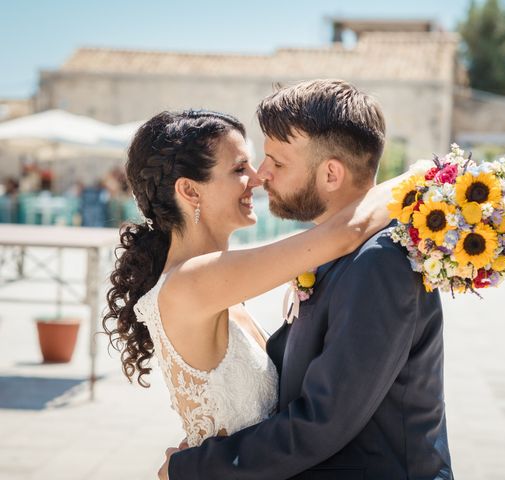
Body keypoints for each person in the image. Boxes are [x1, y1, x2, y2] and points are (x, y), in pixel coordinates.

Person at [160, 80, 453, 479]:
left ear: (331, 173)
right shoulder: (333, 252)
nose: (261, 176)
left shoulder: (380, 262)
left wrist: (196, 468)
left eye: (277, 162)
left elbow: (322, 421)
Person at [102, 107, 402, 454]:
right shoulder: (194, 280)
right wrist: (424, 178)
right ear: (190, 191)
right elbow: (348, 232)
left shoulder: (209, 281)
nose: (257, 179)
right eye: (239, 169)